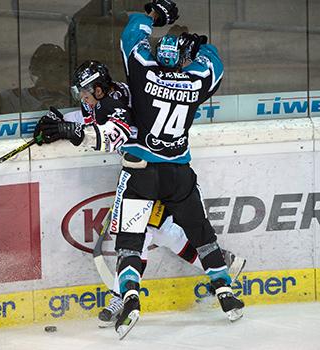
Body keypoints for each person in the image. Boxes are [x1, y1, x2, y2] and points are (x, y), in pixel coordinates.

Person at [33, 60, 246, 330]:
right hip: (165, 172)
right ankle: (221, 267)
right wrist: (62, 123)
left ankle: (122, 296)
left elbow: (114, 133)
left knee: (138, 236)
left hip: (145, 173)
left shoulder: (118, 100)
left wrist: (71, 132)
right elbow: (91, 119)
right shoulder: (107, 96)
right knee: (160, 231)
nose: (82, 97)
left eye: (85, 91)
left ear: (99, 89)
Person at [106, 0, 246, 338]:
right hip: (179, 175)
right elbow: (214, 65)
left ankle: (130, 297)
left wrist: (149, 18)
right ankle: (224, 289)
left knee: (130, 241)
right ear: (182, 60)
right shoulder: (195, 81)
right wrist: (199, 48)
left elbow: (131, 41)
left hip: (142, 172)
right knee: (201, 234)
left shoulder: (143, 72)